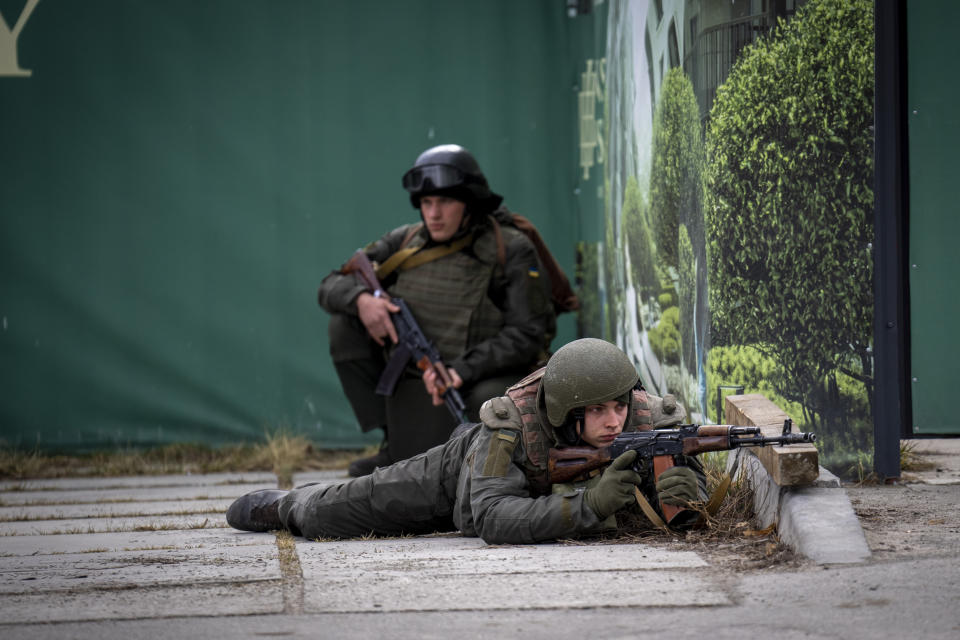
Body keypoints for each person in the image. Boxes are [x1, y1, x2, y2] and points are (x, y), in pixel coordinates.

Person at [226, 338, 707, 544]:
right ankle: (284, 504)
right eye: (597, 411)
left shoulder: (654, 420)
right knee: (330, 514)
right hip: (459, 475)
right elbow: (491, 518)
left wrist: (686, 494)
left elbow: (692, 490)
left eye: (618, 406)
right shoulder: (510, 426)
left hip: (523, 492)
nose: (613, 420)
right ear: (565, 412)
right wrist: (592, 505)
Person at [317, 144, 558, 477]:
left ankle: (492, 465)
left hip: (479, 375)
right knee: (344, 325)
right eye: (427, 203)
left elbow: (527, 335)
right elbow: (330, 284)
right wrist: (362, 300)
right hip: (418, 372)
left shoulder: (510, 248)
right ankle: (391, 445)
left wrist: (463, 369)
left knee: (490, 402)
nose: (434, 214)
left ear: (470, 202)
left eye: (445, 202)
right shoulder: (405, 241)